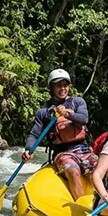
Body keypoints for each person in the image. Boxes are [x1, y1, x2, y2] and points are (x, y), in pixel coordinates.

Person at [22, 69, 96, 200]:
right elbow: (35, 133)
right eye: (58, 85)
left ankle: (104, 202)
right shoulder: (44, 112)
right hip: (62, 152)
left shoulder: (78, 102)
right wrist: (29, 149)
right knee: (72, 171)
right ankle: (81, 205)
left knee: (100, 169)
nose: (62, 88)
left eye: (65, 85)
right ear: (52, 87)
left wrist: (67, 114)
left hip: (83, 148)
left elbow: (83, 119)